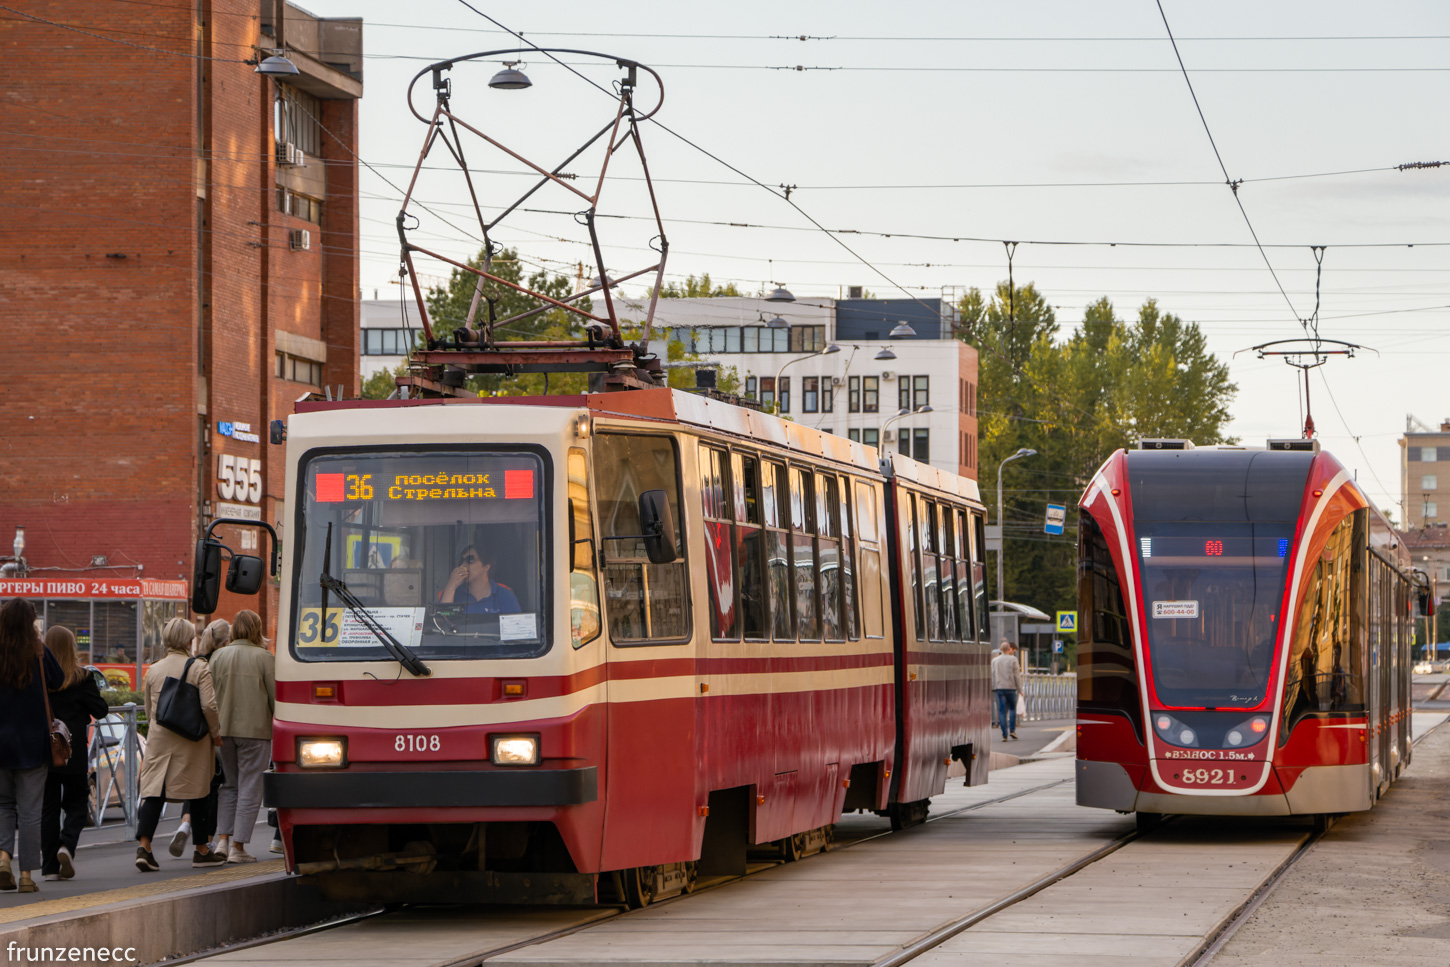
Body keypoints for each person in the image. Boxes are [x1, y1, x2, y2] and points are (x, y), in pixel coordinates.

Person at [135, 618, 226, 872]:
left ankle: (145, 848)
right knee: (198, 791)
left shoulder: (154, 669)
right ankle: (201, 850)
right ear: (189, 640)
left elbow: (149, 710)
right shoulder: (199, 668)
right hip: (192, 738)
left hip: (160, 736)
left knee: (154, 791)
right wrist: (215, 733)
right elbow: (209, 706)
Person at [0, 599, 64, 893]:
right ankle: (26, 876)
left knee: (2, 805)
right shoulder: (38, 650)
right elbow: (58, 679)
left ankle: (2, 860)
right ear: (31, 622)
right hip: (33, 743)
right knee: (29, 811)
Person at [39, 626, 108, 881]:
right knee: (77, 804)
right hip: (73, 751)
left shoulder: (40, 678)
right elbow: (101, 710)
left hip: (45, 750)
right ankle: (66, 845)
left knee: (49, 808)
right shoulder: (82, 678)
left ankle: (48, 867)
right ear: (72, 648)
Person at [209, 610, 274, 864]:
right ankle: (238, 847)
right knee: (250, 787)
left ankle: (222, 841)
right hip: (256, 732)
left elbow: (209, 695)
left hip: (222, 732)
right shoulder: (265, 658)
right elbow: (275, 698)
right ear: (257, 629)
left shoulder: (218, 656)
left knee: (229, 785)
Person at [164, 618, 230, 858]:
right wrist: (216, 734)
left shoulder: (198, 662)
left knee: (195, 784)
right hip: (214, 731)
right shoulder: (222, 662)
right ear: (226, 640)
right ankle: (208, 843)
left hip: (190, 729)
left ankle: (185, 822)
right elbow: (212, 704)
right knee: (212, 786)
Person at [438, 544, 521, 614]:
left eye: (470, 560)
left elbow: (515, 628)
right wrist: (451, 586)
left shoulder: (504, 595)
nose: (463, 565)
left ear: (486, 567)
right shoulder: (453, 594)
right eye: (461, 561)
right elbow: (442, 624)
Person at [992, 640, 1023, 742]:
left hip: (1000, 688)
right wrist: (1020, 689)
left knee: (1002, 711)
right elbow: (1017, 676)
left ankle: (1004, 734)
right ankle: (1012, 731)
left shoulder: (994, 661)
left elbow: (992, 675)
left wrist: (993, 688)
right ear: (1009, 649)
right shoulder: (1013, 659)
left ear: (1000, 649)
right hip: (1011, 688)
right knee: (1012, 709)